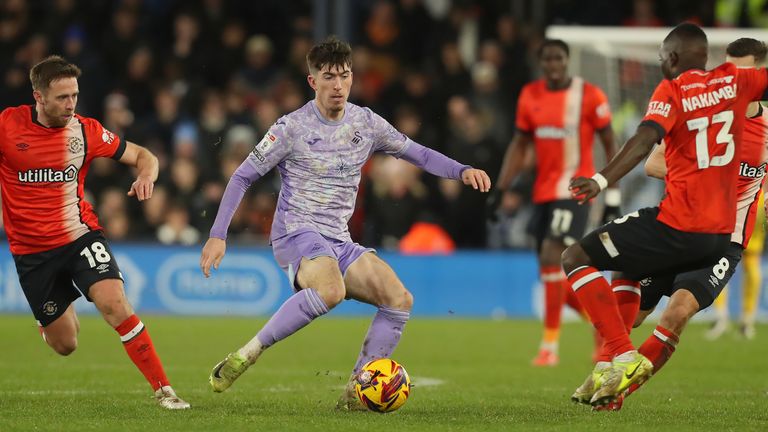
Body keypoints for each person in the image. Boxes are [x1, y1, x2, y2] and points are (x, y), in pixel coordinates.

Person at [199, 36, 491, 410]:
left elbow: (416, 153)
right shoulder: (291, 127)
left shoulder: (366, 123)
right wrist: (217, 235)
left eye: (345, 76)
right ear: (312, 81)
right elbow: (242, 177)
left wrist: (461, 171)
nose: (338, 85)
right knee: (331, 290)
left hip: (337, 239)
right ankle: (248, 353)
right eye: (329, 77)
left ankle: (356, 392)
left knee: (398, 300)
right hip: (297, 231)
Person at [562, 24, 768, 407]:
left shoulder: (699, 97)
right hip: (699, 225)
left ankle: (619, 378)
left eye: (742, 72)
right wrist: (700, 171)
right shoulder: (718, 93)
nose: (733, 77)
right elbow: (654, 162)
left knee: (675, 312)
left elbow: (644, 141)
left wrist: (600, 179)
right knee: (630, 288)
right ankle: (612, 363)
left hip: (721, 237)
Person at [0, 56, 189, 409]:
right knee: (65, 344)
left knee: (114, 303)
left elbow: (143, 155)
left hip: (78, 236)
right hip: (31, 252)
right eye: (62, 98)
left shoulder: (86, 131)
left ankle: (165, 390)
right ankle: (50, 322)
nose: (71, 104)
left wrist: (148, 174)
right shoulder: (8, 126)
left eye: (74, 95)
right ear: (38, 97)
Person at [489, 39, 619, 366]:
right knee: (553, 273)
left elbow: (610, 143)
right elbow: (519, 146)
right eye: (547, 59)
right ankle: (601, 325)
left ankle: (549, 347)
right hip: (543, 192)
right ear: (540, 62)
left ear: (567, 60)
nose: (553, 65)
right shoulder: (530, 95)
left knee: (552, 253)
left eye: (559, 59)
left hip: (576, 190)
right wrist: (500, 189)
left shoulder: (589, 96)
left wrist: (612, 192)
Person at [707, 191, 765, 340]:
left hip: (755, 203)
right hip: (736, 203)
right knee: (719, 269)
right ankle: (720, 316)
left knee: (753, 273)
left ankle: (747, 320)